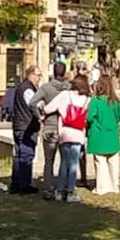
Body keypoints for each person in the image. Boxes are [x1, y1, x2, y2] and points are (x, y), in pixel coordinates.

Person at [43, 74, 92, 203]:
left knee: (64, 162)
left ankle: (59, 191)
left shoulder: (65, 95)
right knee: (73, 164)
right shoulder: (87, 100)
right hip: (78, 134)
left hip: (64, 131)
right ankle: (70, 192)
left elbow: (48, 109)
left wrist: (42, 106)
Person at [32, 62, 70, 200]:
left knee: (49, 161)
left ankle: (48, 188)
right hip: (66, 127)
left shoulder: (46, 88)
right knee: (65, 160)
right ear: (64, 73)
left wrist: (39, 116)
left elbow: (32, 102)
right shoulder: (70, 88)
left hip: (50, 126)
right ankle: (64, 188)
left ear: (53, 72)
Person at [87, 74, 120, 195]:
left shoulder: (96, 101)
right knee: (113, 161)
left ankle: (101, 187)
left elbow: (90, 116)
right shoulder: (115, 102)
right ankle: (114, 185)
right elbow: (119, 117)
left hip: (99, 134)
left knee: (100, 161)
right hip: (112, 134)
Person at [9, 66, 42, 194]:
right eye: (38, 75)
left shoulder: (22, 87)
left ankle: (16, 184)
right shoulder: (27, 89)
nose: (39, 78)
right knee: (26, 156)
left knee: (19, 155)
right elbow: (33, 104)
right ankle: (24, 185)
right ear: (32, 75)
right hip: (26, 127)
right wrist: (40, 116)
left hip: (19, 125)